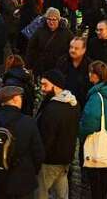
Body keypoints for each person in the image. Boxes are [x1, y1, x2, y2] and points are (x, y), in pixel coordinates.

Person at [0, 84, 45, 199]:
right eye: (20, 98)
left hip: (1, 180)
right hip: (24, 180)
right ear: (14, 99)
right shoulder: (28, 122)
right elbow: (39, 154)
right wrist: (31, 171)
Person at [35, 68, 79, 199]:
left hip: (50, 161)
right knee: (62, 195)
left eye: (45, 85)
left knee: (40, 193)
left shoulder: (52, 109)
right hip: (66, 159)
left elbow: (46, 139)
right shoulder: (74, 104)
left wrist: (37, 159)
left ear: (56, 86)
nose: (42, 88)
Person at [79, 61, 107, 199]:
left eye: (90, 72)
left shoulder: (96, 96)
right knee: (104, 173)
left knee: (94, 176)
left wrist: (81, 133)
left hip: (96, 139)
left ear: (96, 76)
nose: (89, 75)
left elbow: (90, 121)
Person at [26, 7, 73, 77]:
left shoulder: (66, 33)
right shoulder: (40, 31)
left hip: (59, 68)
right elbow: (31, 48)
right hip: (42, 68)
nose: (51, 22)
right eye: (49, 19)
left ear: (59, 20)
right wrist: (30, 65)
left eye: (54, 19)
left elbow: (72, 48)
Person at [57, 36, 92, 109]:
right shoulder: (62, 61)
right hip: (64, 102)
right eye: (71, 47)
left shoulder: (90, 65)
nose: (72, 50)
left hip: (82, 104)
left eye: (76, 48)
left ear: (84, 50)